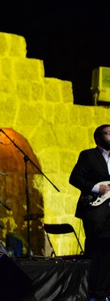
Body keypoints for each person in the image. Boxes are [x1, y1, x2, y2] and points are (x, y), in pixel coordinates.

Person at [69, 124, 110, 300]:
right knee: (96, 249)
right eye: (109, 133)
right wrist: (96, 188)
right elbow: (74, 178)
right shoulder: (88, 155)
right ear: (98, 138)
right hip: (95, 209)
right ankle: (94, 291)